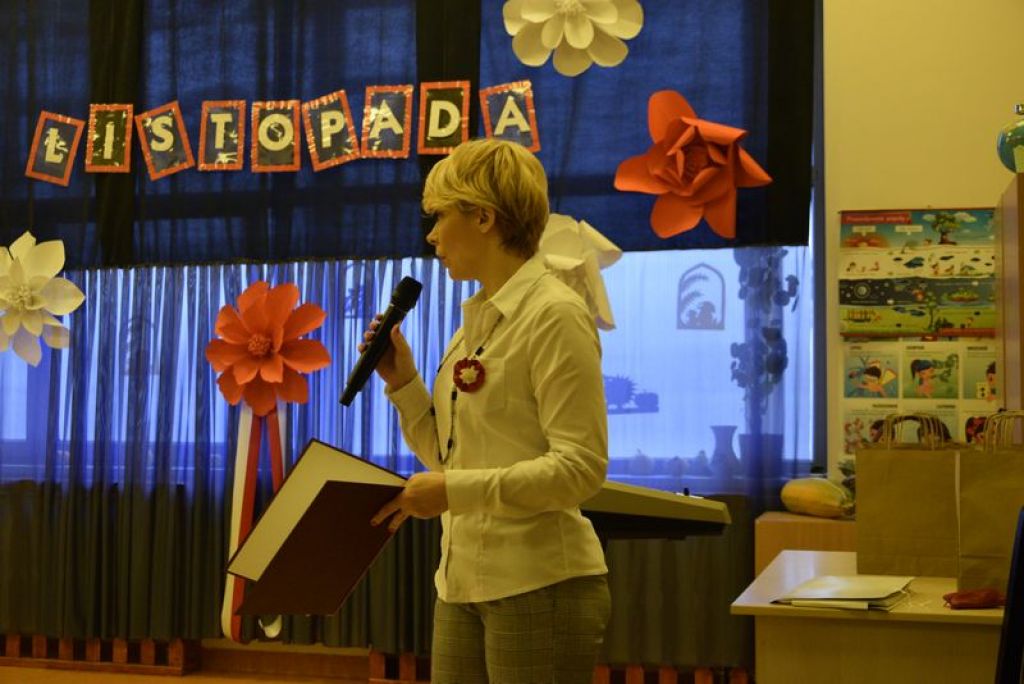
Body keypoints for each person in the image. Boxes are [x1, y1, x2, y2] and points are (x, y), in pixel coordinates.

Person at [362, 138, 610, 684]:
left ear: (482, 218)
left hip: (540, 582)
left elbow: (580, 468)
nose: (431, 235)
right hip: (461, 583)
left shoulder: (555, 314)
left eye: (439, 216)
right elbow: (448, 457)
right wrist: (403, 383)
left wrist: (452, 491)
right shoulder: (474, 324)